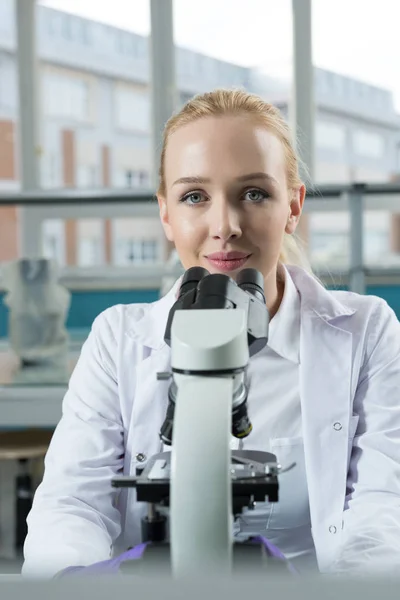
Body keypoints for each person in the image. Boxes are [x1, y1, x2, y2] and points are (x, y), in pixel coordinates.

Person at [22, 89, 400, 578]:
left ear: (294, 206)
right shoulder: (118, 338)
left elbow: (383, 512)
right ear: (165, 213)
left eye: (255, 194)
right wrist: (78, 583)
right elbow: (71, 505)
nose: (225, 226)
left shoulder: (366, 331)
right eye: (194, 197)